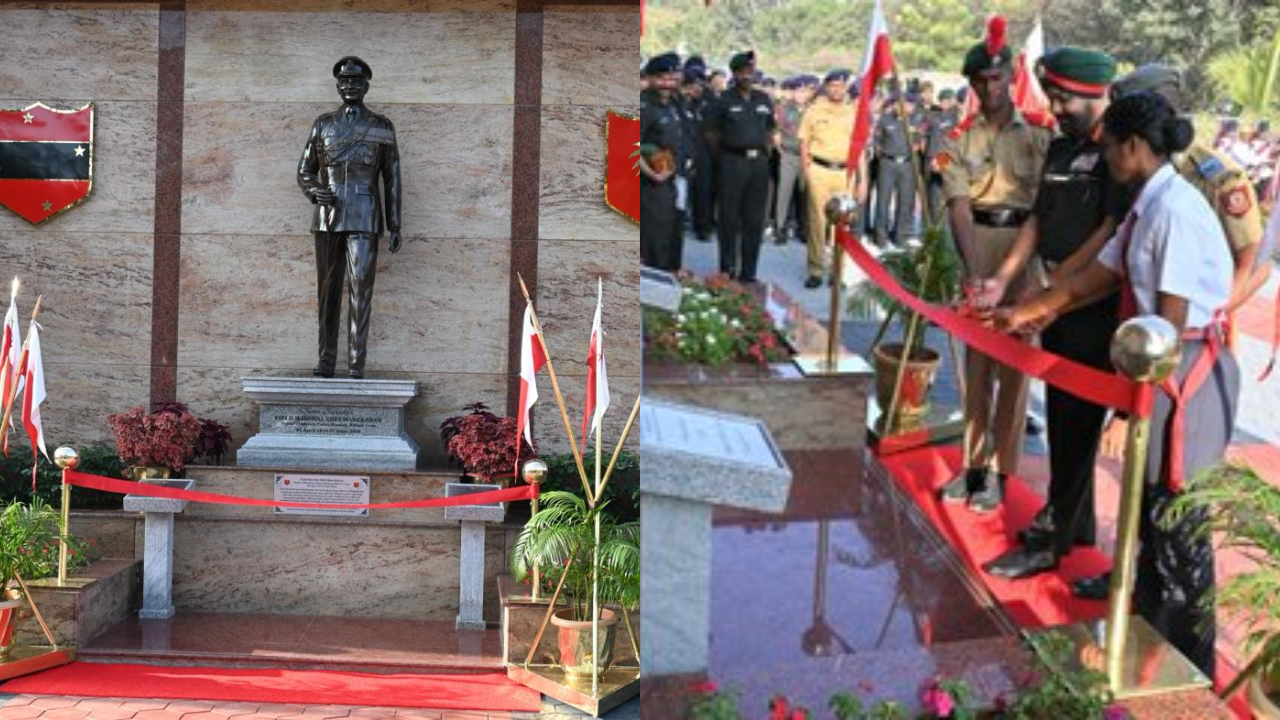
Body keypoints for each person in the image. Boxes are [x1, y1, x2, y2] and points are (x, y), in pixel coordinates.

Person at [998, 90, 1239, 679]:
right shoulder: (1146, 202)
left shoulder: (1175, 211)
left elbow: (1171, 321)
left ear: (1133, 146)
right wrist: (1025, 312)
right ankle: (1147, 633)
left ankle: (1189, 665)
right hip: (1159, 370)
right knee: (1149, 509)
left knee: (1176, 512)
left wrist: (1134, 411)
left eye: (1108, 148)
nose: (1103, 157)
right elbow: (1096, 277)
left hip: (1181, 376)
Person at [974, 48, 1127, 579]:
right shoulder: (1061, 149)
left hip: (1092, 300)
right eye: (1053, 96)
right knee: (1063, 413)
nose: (1056, 107)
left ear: (1095, 94)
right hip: (1057, 288)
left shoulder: (1118, 151)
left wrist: (1052, 292)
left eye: (1063, 98)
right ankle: (1076, 521)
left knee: (1075, 420)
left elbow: (1112, 232)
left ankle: (1050, 538)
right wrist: (1005, 278)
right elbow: (1039, 220)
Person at [935, 17, 1052, 513]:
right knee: (976, 365)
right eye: (981, 80)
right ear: (973, 84)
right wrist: (972, 267)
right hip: (978, 241)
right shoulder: (959, 140)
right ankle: (973, 465)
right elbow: (959, 203)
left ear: (1010, 77)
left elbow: (1047, 207)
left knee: (1014, 366)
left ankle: (1003, 471)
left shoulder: (1041, 137)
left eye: (998, 77)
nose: (990, 86)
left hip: (1025, 247)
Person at [297, 56, 401, 380]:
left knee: (361, 291)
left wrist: (395, 224)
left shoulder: (381, 127)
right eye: (344, 81)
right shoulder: (323, 124)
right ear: (338, 86)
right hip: (328, 218)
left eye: (356, 81)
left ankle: (356, 364)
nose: (350, 86)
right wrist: (315, 191)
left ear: (366, 86)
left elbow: (393, 177)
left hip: (366, 217)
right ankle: (326, 361)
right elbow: (305, 170)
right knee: (327, 293)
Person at [705, 51, 776, 282]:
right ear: (734, 73)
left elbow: (770, 129)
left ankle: (749, 272)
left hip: (759, 165)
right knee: (729, 219)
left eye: (751, 71)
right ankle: (727, 269)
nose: (748, 75)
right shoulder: (723, 100)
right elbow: (711, 134)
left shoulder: (763, 99)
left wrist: (765, 148)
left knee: (754, 221)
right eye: (743, 71)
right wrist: (728, 154)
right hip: (732, 162)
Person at [797, 69, 862, 288]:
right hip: (819, 170)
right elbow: (804, 144)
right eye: (833, 85)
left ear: (846, 88)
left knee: (842, 223)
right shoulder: (813, 111)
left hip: (845, 173)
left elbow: (859, 147)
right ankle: (816, 270)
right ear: (826, 87)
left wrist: (862, 180)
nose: (837, 90)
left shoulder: (853, 112)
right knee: (817, 221)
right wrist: (807, 173)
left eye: (842, 86)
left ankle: (837, 271)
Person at [639, 52, 685, 271]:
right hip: (649, 185)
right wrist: (651, 173)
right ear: (649, 78)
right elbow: (626, 147)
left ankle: (664, 280)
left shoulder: (673, 104)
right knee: (654, 240)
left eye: (671, 78)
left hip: (671, 180)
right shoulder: (644, 106)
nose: (667, 84)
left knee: (669, 233)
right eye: (661, 78)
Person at [873, 89, 918, 247]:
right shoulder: (885, 120)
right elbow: (877, 140)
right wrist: (884, 155)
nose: (905, 106)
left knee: (905, 201)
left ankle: (900, 236)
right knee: (883, 200)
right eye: (901, 103)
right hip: (887, 163)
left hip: (907, 164)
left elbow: (921, 143)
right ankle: (880, 237)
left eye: (908, 104)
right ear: (895, 105)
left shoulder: (916, 121)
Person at [773, 77, 807, 245]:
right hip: (789, 155)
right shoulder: (784, 109)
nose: (801, 94)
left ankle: (803, 228)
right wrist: (783, 152)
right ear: (793, 92)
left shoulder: (812, 110)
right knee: (784, 193)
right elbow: (776, 133)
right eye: (798, 91)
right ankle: (780, 229)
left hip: (807, 157)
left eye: (804, 91)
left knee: (804, 193)